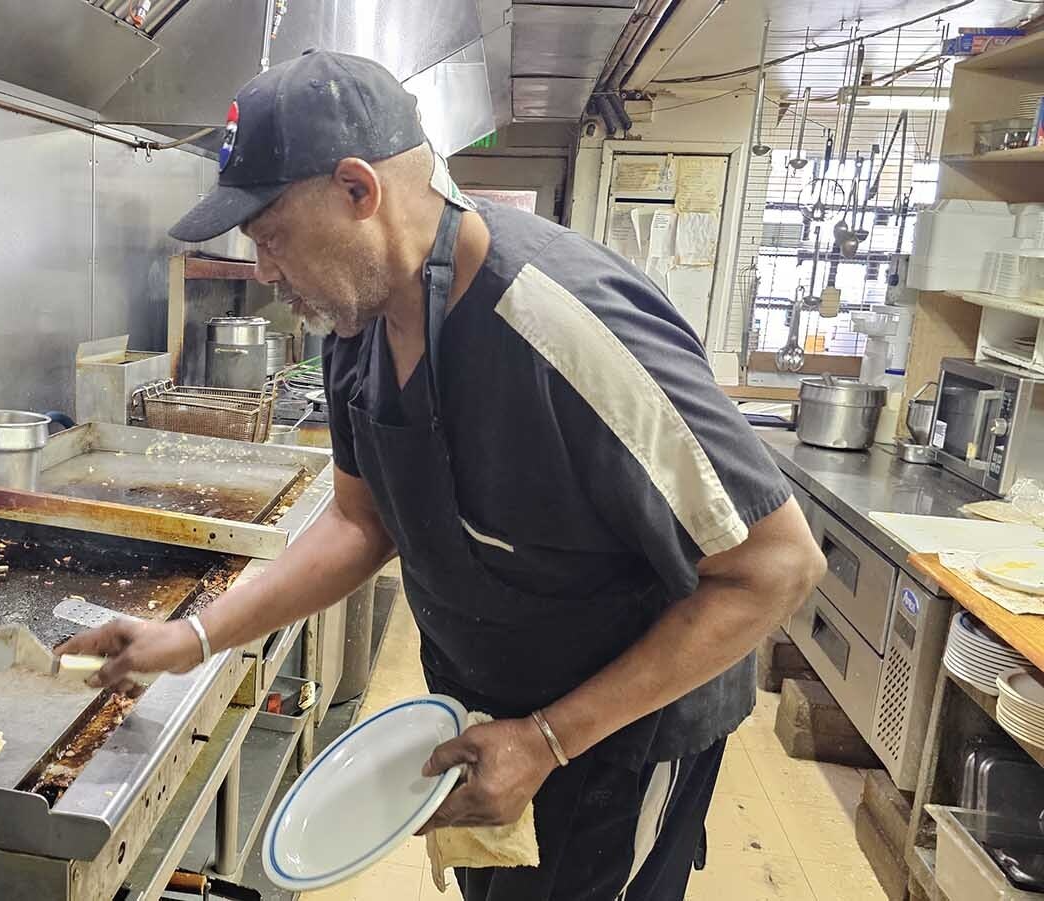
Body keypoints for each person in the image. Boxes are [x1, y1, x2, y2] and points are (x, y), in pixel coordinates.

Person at [60, 49, 825, 901]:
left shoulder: (562, 327)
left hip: (618, 739)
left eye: (270, 235)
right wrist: (195, 636)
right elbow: (360, 522)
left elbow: (775, 566)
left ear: (358, 191)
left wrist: (546, 738)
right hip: (484, 718)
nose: (264, 268)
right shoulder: (359, 324)